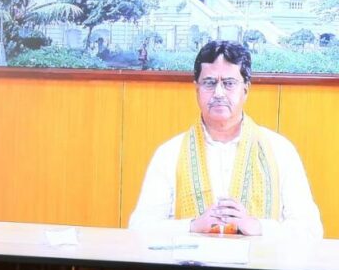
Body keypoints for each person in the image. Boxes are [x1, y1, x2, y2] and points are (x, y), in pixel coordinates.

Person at [129, 41, 323, 239]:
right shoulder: (170, 153)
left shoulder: (279, 150)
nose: (219, 93)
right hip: (190, 260)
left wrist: (258, 226)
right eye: (209, 83)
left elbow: (311, 230)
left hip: (261, 260)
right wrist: (192, 225)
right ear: (197, 89)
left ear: (245, 89)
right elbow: (139, 228)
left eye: (229, 83)